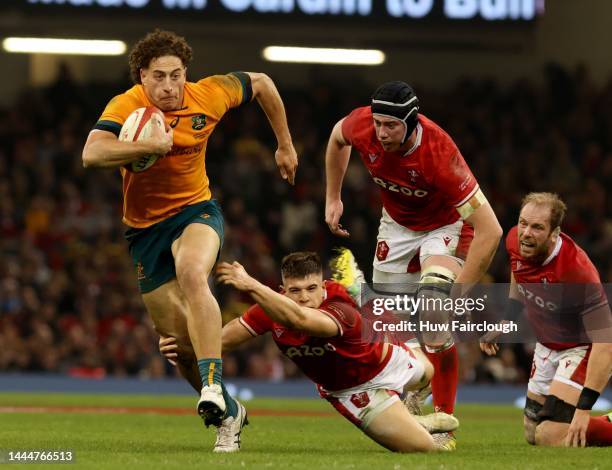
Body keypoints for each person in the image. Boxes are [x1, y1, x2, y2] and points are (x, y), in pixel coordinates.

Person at [81, 29, 298, 443]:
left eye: (176, 75)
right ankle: (228, 411)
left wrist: (285, 146)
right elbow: (92, 154)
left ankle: (214, 384)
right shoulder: (127, 105)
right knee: (178, 349)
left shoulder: (210, 94)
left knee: (194, 272)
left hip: (195, 210)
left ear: (186, 74)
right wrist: (144, 146)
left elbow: (264, 84)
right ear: (142, 77)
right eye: (158, 76)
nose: (168, 86)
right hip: (144, 231)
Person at [324, 80, 502, 429]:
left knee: (434, 310)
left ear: (412, 121)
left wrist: (458, 298)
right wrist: (333, 196)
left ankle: (446, 420)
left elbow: (491, 230)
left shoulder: (439, 154)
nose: (382, 132)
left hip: (446, 227)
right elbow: (336, 138)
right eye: (378, 123)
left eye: (391, 125)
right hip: (396, 226)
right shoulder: (364, 125)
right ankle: (417, 386)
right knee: (391, 327)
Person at [161, 251, 459, 453]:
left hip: (383, 360)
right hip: (351, 391)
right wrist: (186, 346)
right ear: (282, 290)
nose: (304, 297)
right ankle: (420, 424)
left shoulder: (340, 307)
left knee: (427, 372)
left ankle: (412, 403)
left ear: (324, 287)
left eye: (311, 288)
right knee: (425, 449)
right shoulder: (271, 308)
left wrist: (250, 284)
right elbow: (220, 340)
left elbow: (300, 320)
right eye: (295, 291)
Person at [480, 192, 612, 447]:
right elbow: (519, 275)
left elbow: (605, 342)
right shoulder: (514, 241)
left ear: (554, 233)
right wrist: (507, 322)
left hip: (580, 348)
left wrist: (584, 410)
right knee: (532, 432)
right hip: (547, 344)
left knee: (551, 435)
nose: (526, 233)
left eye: (537, 227)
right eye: (523, 223)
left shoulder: (577, 272)